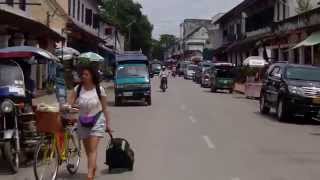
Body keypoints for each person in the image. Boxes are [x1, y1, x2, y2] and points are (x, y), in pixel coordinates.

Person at [68, 65, 112, 180]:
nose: (84, 76)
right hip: (82, 122)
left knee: (92, 149)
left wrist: (108, 124)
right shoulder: (77, 89)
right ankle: (92, 167)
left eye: (86, 74)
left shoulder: (99, 89)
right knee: (88, 151)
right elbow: (70, 103)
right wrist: (70, 108)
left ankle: (89, 175)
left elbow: (105, 108)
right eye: (82, 74)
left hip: (97, 120)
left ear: (92, 76)